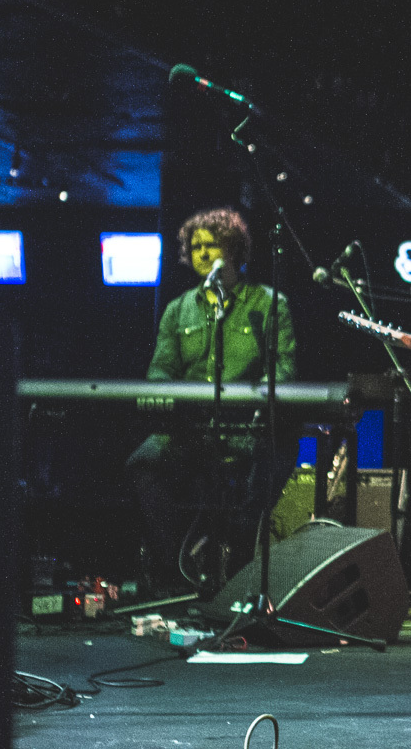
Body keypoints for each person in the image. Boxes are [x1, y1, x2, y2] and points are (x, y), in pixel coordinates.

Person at [126, 207, 297, 593]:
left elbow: (283, 369)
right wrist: (161, 399)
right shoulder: (178, 309)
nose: (201, 253)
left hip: (247, 427)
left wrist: (259, 405)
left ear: (234, 249)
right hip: (192, 429)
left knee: (274, 457)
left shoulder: (270, 304)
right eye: (195, 246)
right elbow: (161, 370)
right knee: (141, 464)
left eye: (211, 245)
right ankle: (178, 572)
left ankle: (239, 576)